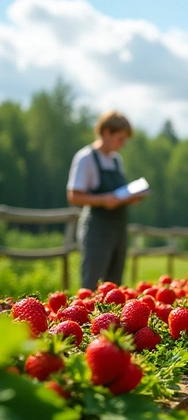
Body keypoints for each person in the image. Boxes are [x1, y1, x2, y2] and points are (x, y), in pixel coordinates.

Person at [67, 110, 141, 290]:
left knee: (114, 285)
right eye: (120, 138)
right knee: (93, 283)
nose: (122, 144)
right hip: (97, 230)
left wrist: (129, 198)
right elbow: (73, 195)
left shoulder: (116, 160)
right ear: (106, 132)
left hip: (118, 228)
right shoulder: (86, 158)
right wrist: (103, 200)